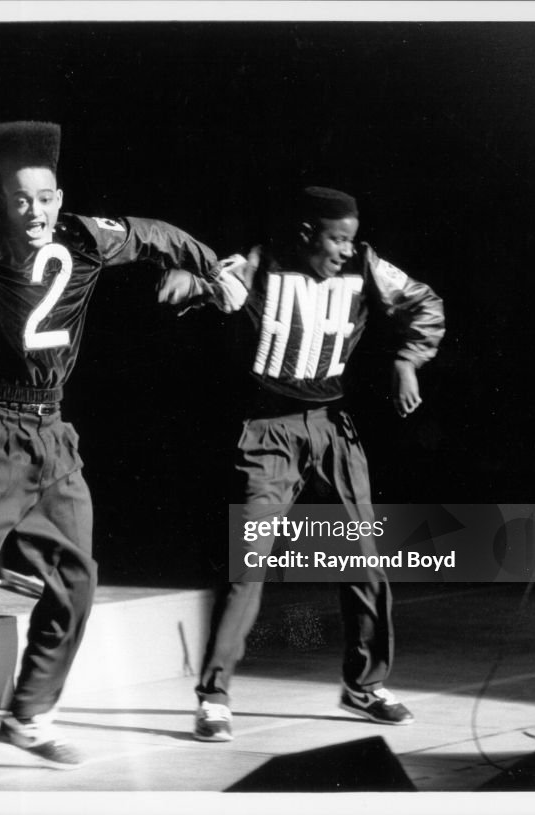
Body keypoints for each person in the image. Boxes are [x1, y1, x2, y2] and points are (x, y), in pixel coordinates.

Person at [0, 120, 247, 791]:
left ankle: (29, 713)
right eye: (20, 199)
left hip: (53, 437)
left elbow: (155, 234)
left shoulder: (86, 236)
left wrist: (211, 269)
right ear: (2, 200)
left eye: (43, 198)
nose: (33, 211)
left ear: (59, 197)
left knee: (77, 581)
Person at [182, 186, 445, 742]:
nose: (346, 249)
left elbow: (425, 302)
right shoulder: (261, 264)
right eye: (337, 239)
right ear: (307, 234)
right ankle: (214, 697)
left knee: (364, 558)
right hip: (268, 433)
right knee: (247, 564)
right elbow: (214, 284)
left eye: (351, 239)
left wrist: (408, 360)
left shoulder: (366, 266)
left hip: (331, 427)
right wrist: (193, 287)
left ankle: (364, 686)